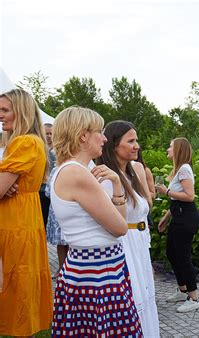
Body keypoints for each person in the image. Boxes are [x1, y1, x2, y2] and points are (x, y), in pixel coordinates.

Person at [50, 106, 142, 337]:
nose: (104, 138)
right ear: (83, 135)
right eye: (99, 132)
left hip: (93, 266)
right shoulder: (77, 173)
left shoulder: (73, 169)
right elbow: (121, 227)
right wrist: (118, 188)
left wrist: (117, 185)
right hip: (97, 272)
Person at [97, 120, 160, 336]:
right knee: (133, 295)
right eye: (131, 141)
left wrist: (140, 172)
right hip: (125, 244)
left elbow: (147, 205)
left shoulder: (132, 172)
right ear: (114, 145)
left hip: (140, 241)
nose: (137, 146)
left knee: (145, 292)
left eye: (137, 140)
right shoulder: (107, 179)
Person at [0, 88, 53, 336]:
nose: (0, 116)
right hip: (24, 217)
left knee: (16, 284)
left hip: (15, 219)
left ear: (20, 111)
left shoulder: (24, 142)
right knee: (21, 282)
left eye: (4, 110)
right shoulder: (31, 141)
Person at [156, 137, 199, 313]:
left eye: (170, 146)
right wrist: (166, 217)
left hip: (186, 217)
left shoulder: (184, 169)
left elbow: (189, 196)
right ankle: (183, 290)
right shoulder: (179, 169)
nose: (168, 149)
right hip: (178, 215)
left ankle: (193, 297)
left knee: (182, 257)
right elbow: (177, 198)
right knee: (172, 253)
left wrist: (165, 191)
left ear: (178, 150)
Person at [39, 122, 56, 228]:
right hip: (39, 190)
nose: (49, 136)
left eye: (51, 134)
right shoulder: (38, 148)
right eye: (46, 133)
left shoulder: (58, 151)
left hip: (52, 191)